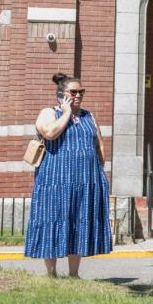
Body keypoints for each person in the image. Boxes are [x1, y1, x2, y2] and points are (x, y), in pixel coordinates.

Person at [25, 73, 112, 277]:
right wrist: (65, 112)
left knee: (78, 223)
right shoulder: (49, 112)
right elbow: (50, 133)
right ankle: (52, 274)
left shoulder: (88, 116)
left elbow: (98, 142)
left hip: (84, 181)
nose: (79, 95)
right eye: (74, 92)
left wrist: (99, 168)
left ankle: (74, 274)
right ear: (61, 94)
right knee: (51, 221)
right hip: (55, 180)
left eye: (82, 92)